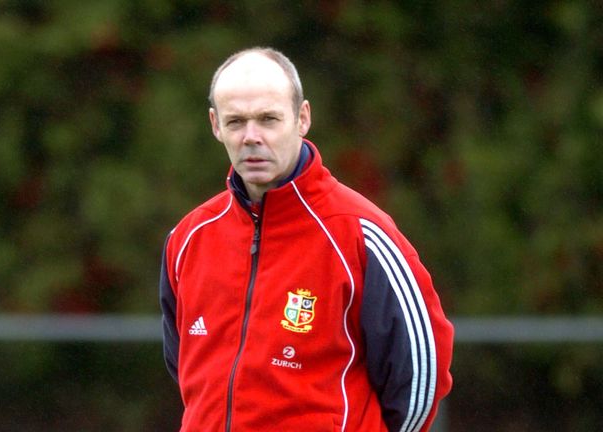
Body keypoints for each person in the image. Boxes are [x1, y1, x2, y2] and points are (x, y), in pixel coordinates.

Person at [159, 47, 454, 432]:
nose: (251, 137)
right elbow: (185, 366)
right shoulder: (187, 238)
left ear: (302, 118)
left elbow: (420, 379)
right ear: (215, 125)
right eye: (236, 122)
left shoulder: (360, 233)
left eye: (268, 119)